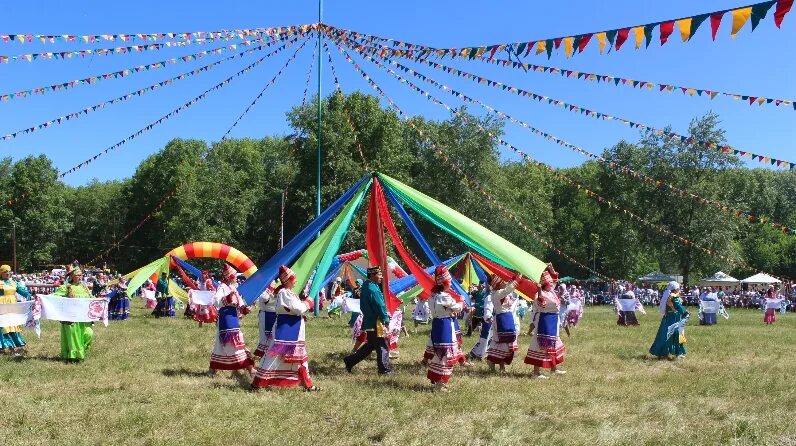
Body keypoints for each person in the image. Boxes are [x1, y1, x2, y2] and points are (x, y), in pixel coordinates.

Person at [252, 265, 319, 391]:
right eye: (294, 278)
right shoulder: (284, 292)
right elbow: (298, 308)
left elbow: (292, 310)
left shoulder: (287, 293)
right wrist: (308, 303)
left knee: (298, 357)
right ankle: (257, 383)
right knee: (274, 356)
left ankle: (308, 384)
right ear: (287, 280)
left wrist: (301, 316)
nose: (296, 281)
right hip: (286, 329)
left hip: (292, 327)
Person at [343, 266, 393, 375]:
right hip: (377, 322)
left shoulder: (366, 285)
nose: (381, 277)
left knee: (371, 345)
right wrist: (385, 318)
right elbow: (379, 306)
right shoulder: (373, 289)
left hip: (369, 321)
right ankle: (384, 370)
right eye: (379, 275)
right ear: (372, 275)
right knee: (382, 345)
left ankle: (350, 360)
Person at [208, 265, 254, 377]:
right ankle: (251, 369)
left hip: (233, 318)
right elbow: (216, 302)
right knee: (234, 344)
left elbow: (240, 303)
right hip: (226, 318)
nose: (236, 278)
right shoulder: (222, 287)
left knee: (221, 345)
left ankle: (212, 369)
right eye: (234, 275)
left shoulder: (233, 288)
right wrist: (228, 298)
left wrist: (245, 308)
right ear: (229, 277)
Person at [424, 265, 464, 392]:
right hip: (445, 325)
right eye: (450, 281)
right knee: (446, 354)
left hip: (437, 324)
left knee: (439, 353)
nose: (451, 283)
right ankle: (440, 383)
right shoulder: (444, 297)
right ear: (445, 282)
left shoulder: (433, 296)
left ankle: (437, 379)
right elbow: (457, 308)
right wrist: (462, 301)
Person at [524, 264, 566, 379]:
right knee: (540, 346)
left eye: (551, 282)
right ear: (544, 284)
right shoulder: (539, 294)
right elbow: (541, 303)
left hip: (553, 321)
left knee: (553, 344)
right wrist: (538, 289)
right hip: (544, 322)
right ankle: (536, 373)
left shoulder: (551, 291)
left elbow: (555, 277)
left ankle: (554, 369)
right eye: (549, 283)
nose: (552, 283)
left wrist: (551, 268)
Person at [52, 266, 94, 362]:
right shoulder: (67, 287)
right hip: (71, 317)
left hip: (84, 317)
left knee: (89, 333)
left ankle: (80, 352)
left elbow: (92, 298)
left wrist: (101, 300)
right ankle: (74, 357)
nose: (80, 277)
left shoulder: (85, 287)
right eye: (77, 275)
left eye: (81, 275)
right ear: (72, 277)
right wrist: (41, 298)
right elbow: (54, 297)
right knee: (74, 337)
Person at [485, 274, 521, 373]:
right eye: (502, 282)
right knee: (504, 341)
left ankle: (500, 366)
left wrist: (514, 278)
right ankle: (493, 361)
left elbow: (508, 288)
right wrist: (517, 280)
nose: (504, 282)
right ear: (498, 284)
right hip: (502, 319)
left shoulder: (499, 292)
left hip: (505, 317)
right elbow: (507, 290)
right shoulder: (497, 293)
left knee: (505, 341)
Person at [649, 281, 688, 359]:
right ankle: (678, 353)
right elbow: (677, 306)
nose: (679, 289)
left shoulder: (669, 295)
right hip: (673, 317)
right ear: (675, 288)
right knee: (676, 334)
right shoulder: (673, 296)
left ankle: (664, 352)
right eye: (678, 288)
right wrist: (684, 312)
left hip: (669, 317)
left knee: (666, 334)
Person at [0, 264, 33, 357]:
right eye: (5, 272)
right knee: (4, 326)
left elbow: (22, 290)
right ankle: (5, 346)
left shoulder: (13, 282)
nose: (7, 273)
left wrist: (29, 295)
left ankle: (15, 345)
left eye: (9, 271)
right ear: (1, 273)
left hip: (12, 306)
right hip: (2, 306)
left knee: (12, 324)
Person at [468, 284, 493, 361]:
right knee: (485, 337)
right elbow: (488, 309)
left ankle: (482, 353)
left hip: (489, 318)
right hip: (487, 319)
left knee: (490, 338)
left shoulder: (490, 295)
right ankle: (477, 354)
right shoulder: (488, 297)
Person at [253, 283, 277, 358]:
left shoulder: (278, 291)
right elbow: (264, 298)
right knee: (265, 337)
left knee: (274, 336)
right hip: (265, 315)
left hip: (275, 316)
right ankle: (264, 354)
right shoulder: (264, 292)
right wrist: (270, 290)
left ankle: (271, 354)